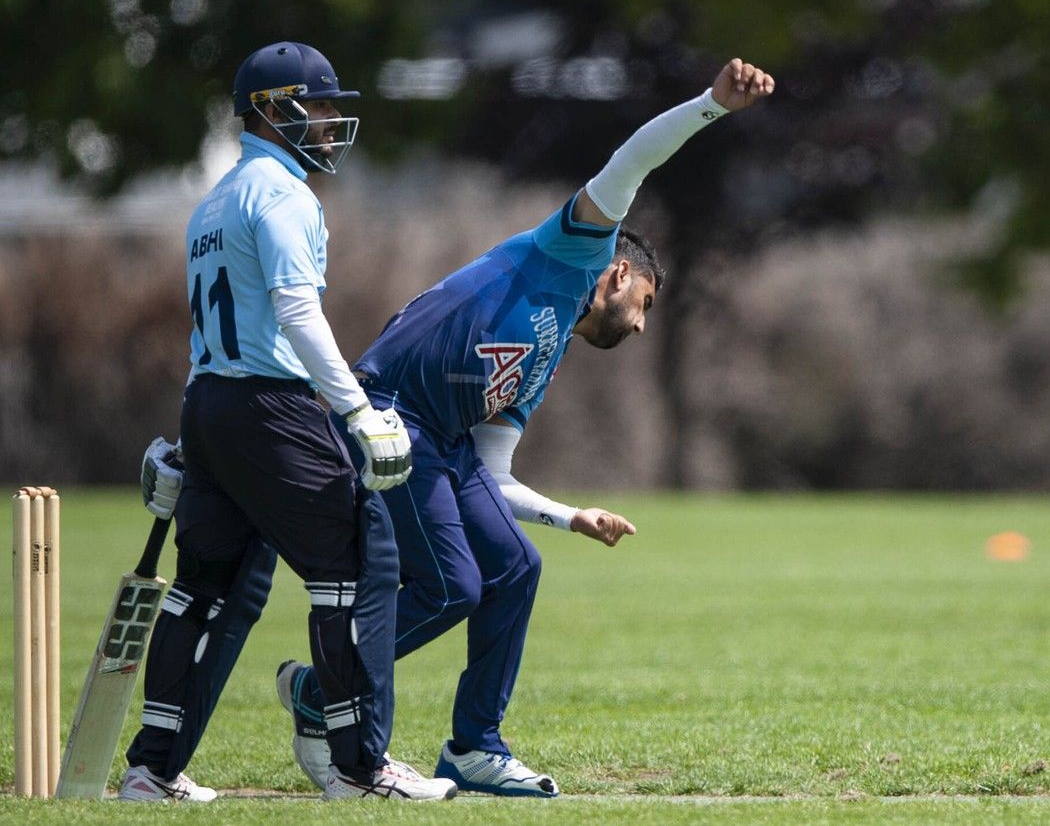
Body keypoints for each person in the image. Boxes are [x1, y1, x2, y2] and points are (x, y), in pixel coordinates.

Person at [270, 57, 775, 797]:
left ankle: (473, 748)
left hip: (440, 446)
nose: (639, 326)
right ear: (620, 276)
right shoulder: (574, 251)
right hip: (387, 418)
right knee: (451, 586)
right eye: (645, 305)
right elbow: (633, 158)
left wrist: (571, 516)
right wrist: (711, 105)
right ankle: (321, 691)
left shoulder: (539, 365)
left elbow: (494, 474)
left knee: (516, 569)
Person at [120, 41, 456, 803]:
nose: (334, 123)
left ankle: (152, 769)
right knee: (360, 567)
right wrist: (359, 412)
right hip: (269, 405)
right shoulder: (282, 194)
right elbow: (295, 312)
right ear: (273, 110)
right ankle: (360, 768)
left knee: (208, 589)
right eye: (323, 107)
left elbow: (220, 326)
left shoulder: (213, 203)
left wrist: (194, 435)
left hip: (210, 404)